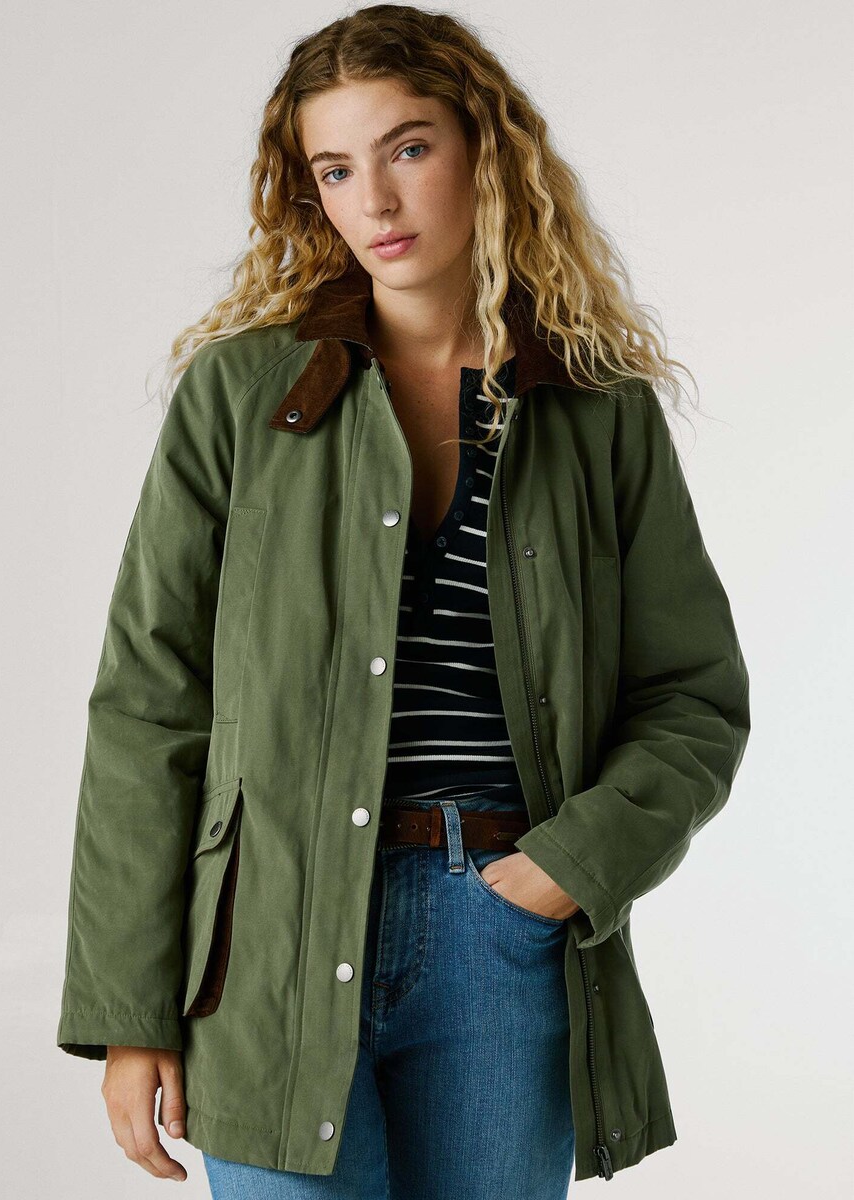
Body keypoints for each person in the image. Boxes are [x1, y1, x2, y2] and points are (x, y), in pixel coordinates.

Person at [56, 5, 751, 1198]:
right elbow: (149, 703)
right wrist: (129, 1011)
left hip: (501, 933)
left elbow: (692, 696)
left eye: (408, 148)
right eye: (335, 168)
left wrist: (561, 871)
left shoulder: (594, 409)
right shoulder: (241, 397)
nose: (374, 199)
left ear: (486, 150)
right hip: (268, 943)